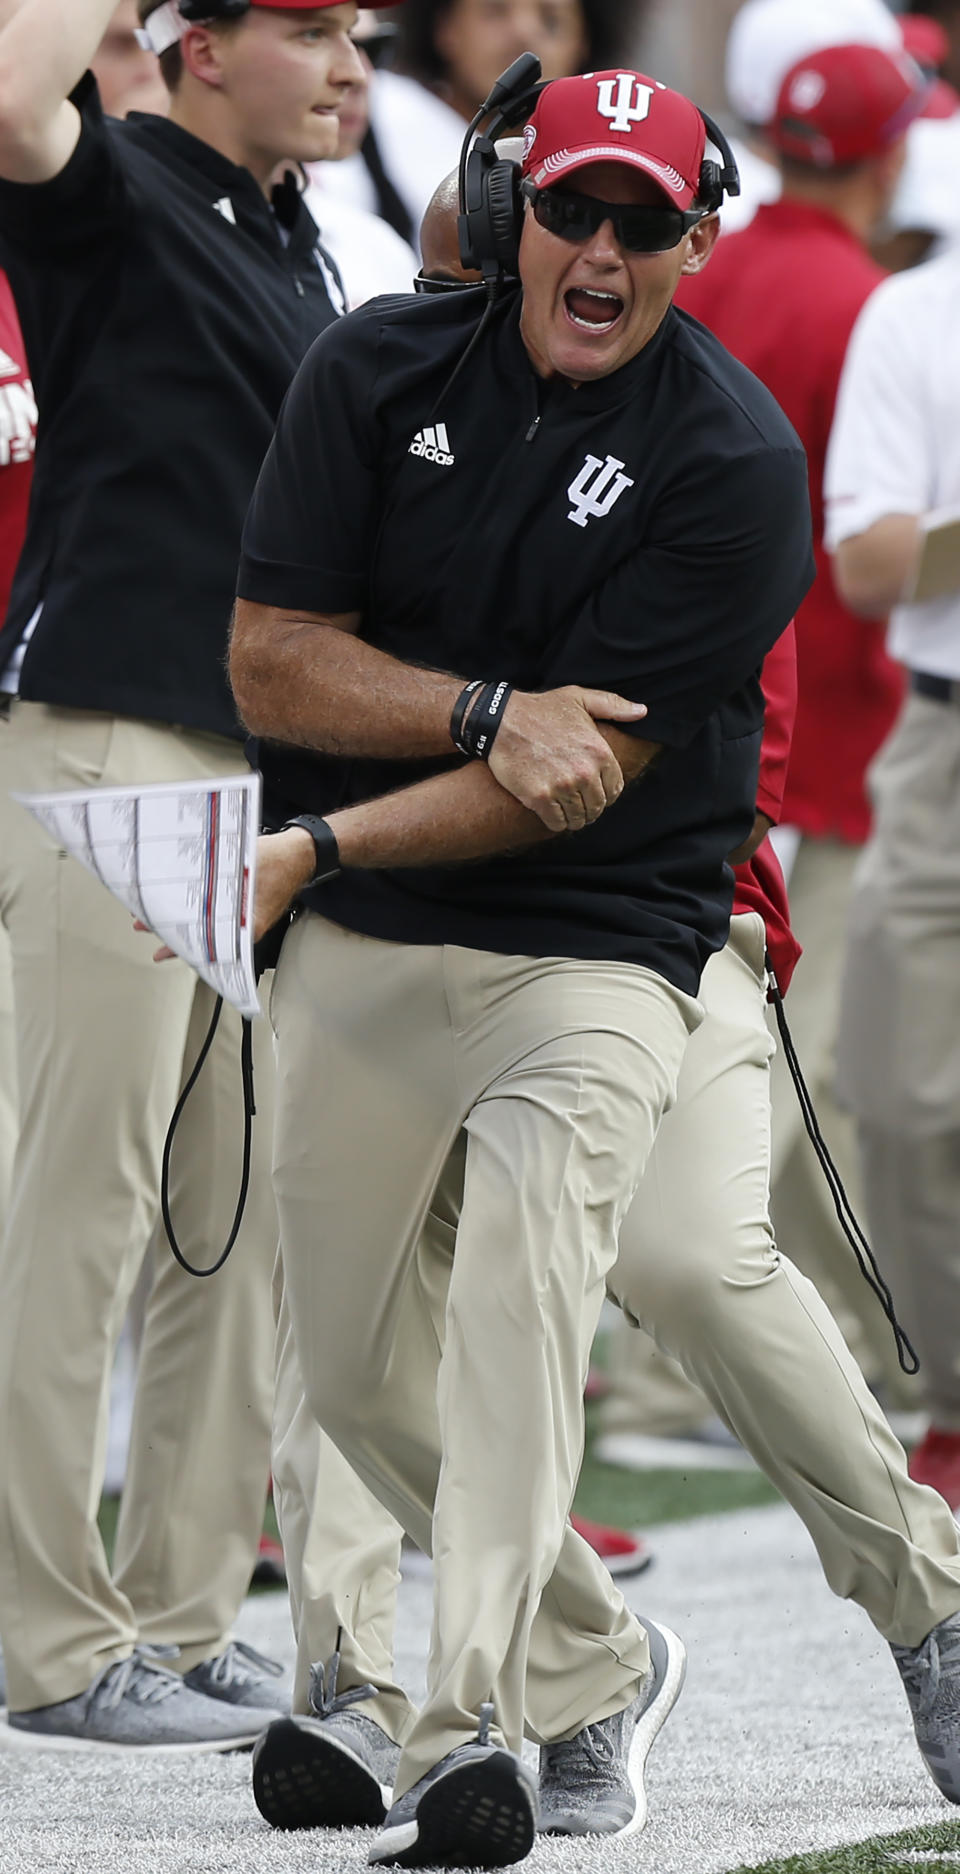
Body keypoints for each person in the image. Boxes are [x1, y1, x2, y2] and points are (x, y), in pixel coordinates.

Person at [246, 165, 960, 1856]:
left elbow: (570, 778)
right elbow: (290, 660)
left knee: (676, 1260)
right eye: (447, 277)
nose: (452, 311)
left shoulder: (698, 463)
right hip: (405, 932)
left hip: (661, 935)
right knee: (348, 1328)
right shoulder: (394, 409)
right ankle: (395, 1666)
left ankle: (923, 1603)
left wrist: (344, 813)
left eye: (471, 275)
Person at [0, 0, 377, 1752]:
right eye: (312, 30)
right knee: (74, 1214)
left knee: (232, 1225)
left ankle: (180, 1610)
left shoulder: (291, 233)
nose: (354, 63)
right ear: (200, 44)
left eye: (364, 32)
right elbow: (13, 90)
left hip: (253, 779)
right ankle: (50, 1642)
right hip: (110, 740)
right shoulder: (122, 176)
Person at [671, 39, 926, 1432]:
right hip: (824, 714)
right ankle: (673, 1367)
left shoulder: (716, 257)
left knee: (746, 1054)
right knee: (782, 1069)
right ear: (887, 156)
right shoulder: (870, 304)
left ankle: (823, 1337)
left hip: (705, 701)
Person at [825, 240, 960, 1510]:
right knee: (908, 1097)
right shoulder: (918, 312)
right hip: (948, 735)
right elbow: (866, 566)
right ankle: (957, 1412)